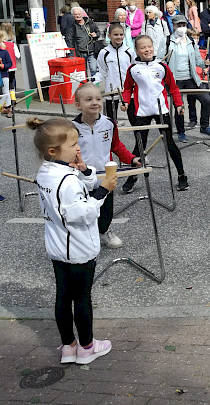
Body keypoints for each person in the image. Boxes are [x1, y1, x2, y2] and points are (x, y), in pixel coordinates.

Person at [28, 116, 117, 365]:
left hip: (57, 246)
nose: (78, 148)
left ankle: (69, 346)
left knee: (63, 297)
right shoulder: (65, 180)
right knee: (82, 299)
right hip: (78, 248)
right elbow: (83, 212)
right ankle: (87, 348)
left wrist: (85, 169)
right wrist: (104, 190)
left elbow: (81, 186)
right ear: (53, 151)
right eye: (73, 145)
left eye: (78, 143)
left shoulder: (48, 171)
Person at [72, 83, 141, 249]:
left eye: (98, 98)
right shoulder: (71, 127)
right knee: (84, 211)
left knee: (106, 211)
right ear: (78, 105)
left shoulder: (109, 124)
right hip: (82, 178)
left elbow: (116, 146)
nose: (95, 102)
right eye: (88, 99)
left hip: (106, 176)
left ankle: (104, 232)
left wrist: (132, 159)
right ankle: (83, 239)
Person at [120, 35, 189, 193]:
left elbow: (173, 88)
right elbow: (127, 89)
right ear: (137, 50)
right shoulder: (133, 69)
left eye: (149, 46)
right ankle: (132, 176)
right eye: (143, 47)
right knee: (140, 146)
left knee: (170, 144)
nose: (147, 50)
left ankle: (182, 175)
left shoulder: (161, 66)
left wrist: (179, 104)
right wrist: (125, 102)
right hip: (141, 111)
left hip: (161, 110)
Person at [165, 15, 210, 141]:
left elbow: (198, 60)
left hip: (190, 78)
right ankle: (181, 131)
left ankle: (204, 126)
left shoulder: (191, 41)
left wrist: (204, 63)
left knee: (206, 100)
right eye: (179, 25)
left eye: (183, 25)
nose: (181, 28)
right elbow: (161, 60)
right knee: (179, 105)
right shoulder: (167, 41)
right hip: (175, 79)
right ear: (174, 26)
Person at [95, 22, 136, 121]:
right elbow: (102, 72)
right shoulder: (104, 53)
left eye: (121, 34)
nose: (119, 37)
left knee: (135, 120)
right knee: (111, 122)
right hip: (111, 92)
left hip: (129, 92)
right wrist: (92, 80)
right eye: (115, 34)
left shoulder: (129, 51)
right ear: (109, 36)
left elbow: (135, 70)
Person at [64, 5, 102, 77]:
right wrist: (72, 53)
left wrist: (96, 34)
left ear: (82, 14)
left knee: (94, 69)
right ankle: (86, 85)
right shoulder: (71, 26)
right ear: (73, 16)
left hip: (91, 51)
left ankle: (95, 85)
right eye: (75, 14)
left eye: (79, 14)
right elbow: (69, 40)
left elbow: (98, 32)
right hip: (80, 52)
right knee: (83, 71)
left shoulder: (89, 23)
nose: (78, 16)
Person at [0, 21, 20, 90]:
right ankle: (13, 97)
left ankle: (5, 97)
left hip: (2, 66)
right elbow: (18, 55)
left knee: (3, 83)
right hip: (12, 66)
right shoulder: (12, 44)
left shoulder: (1, 43)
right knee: (12, 82)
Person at [0, 41, 12, 117]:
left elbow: (10, 63)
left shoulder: (4, 52)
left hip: (3, 74)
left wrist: (3, 66)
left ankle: (8, 108)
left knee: (6, 91)